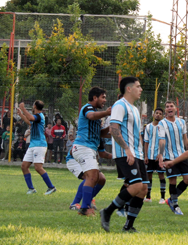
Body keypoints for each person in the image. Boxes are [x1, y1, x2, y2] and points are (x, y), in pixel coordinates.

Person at [100, 77, 149, 232]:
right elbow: (114, 129)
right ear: (129, 89)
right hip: (125, 152)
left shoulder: (134, 108)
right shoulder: (120, 105)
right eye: (138, 86)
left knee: (143, 189)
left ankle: (128, 226)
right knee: (136, 185)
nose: (140, 89)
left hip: (137, 153)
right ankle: (107, 212)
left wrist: (141, 151)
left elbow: (137, 133)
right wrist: (127, 149)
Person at [69, 87, 111, 216]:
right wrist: (107, 113)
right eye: (103, 97)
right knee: (92, 177)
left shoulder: (97, 116)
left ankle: (84, 204)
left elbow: (103, 133)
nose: (105, 100)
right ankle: (85, 208)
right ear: (94, 98)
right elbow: (91, 116)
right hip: (83, 147)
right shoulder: (88, 108)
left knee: (100, 179)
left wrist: (116, 127)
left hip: (89, 149)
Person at [157, 101, 188, 215]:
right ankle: (176, 205)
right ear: (166, 110)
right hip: (169, 157)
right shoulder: (162, 124)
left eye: (171, 106)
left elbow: (185, 139)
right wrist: (161, 156)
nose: (169, 108)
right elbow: (162, 140)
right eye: (167, 107)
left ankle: (171, 199)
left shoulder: (181, 122)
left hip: (182, 155)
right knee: (172, 180)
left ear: (175, 108)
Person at [17, 101, 57, 195]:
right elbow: (29, 122)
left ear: (34, 106)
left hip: (39, 145)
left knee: (38, 168)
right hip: (33, 145)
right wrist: (21, 114)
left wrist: (23, 108)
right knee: (24, 166)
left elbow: (30, 118)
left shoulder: (39, 116)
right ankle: (31, 189)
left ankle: (51, 187)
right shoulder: (36, 117)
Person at [143, 108, 167, 204]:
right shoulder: (148, 127)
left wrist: (161, 153)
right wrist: (145, 156)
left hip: (160, 156)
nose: (158, 115)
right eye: (156, 113)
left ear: (162, 116)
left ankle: (162, 197)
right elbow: (146, 142)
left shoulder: (163, 127)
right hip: (150, 155)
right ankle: (148, 197)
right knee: (149, 175)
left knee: (161, 175)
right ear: (153, 114)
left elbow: (165, 141)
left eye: (160, 113)